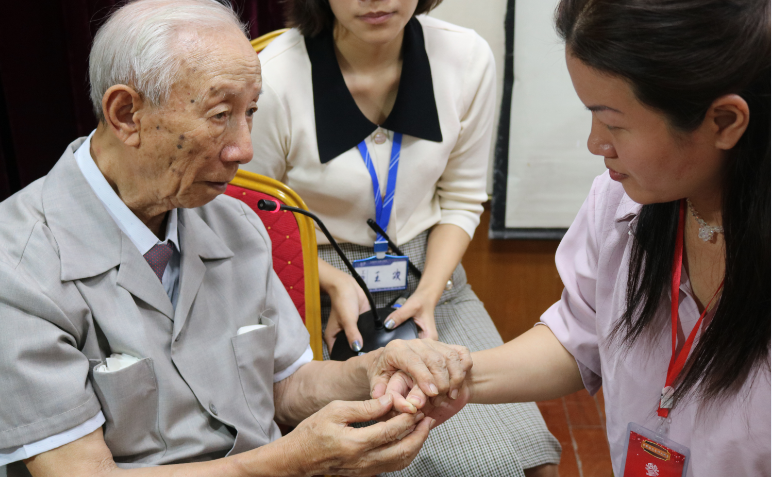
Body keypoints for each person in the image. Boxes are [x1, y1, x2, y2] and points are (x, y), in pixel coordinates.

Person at [0, 1, 474, 476]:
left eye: (250, 112)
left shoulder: (234, 223)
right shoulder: (18, 266)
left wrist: (372, 368)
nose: (243, 149)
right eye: (220, 113)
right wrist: (290, 461)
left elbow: (285, 386)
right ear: (126, 114)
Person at [432, 0, 770, 475]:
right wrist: (453, 378)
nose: (596, 143)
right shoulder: (621, 202)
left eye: (614, 123)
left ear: (724, 122)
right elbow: (581, 334)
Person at [244, 0, 561, 475]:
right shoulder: (272, 77)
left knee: (528, 457)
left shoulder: (465, 57)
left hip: (430, 278)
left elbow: (461, 198)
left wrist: (431, 293)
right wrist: (328, 281)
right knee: (391, 454)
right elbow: (249, 221)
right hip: (309, 282)